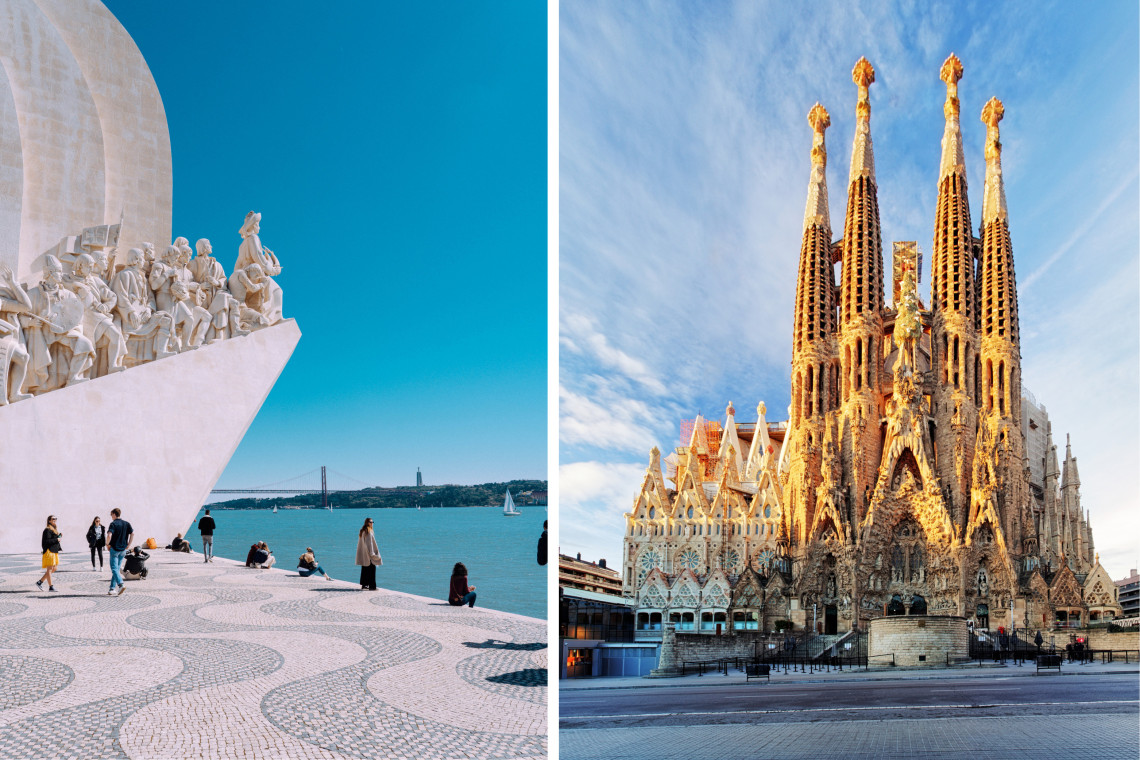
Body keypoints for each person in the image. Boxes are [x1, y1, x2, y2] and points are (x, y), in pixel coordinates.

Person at [105, 507, 133, 596]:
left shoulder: (113, 524)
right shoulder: (126, 523)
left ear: (114, 514)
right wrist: (129, 544)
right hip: (123, 549)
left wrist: (107, 544)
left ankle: (121, 584)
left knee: (114, 569)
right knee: (116, 569)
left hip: (114, 549)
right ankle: (112, 589)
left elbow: (109, 535)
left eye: (111, 515)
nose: (111, 517)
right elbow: (132, 533)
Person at [37, 515, 62, 592]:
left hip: (54, 551)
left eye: (55, 518)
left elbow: (53, 539)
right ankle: (51, 587)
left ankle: (40, 582)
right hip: (49, 551)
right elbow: (46, 541)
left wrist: (58, 537)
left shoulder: (54, 529)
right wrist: (56, 539)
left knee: (54, 568)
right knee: (50, 569)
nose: (55, 520)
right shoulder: (47, 530)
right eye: (53, 519)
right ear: (49, 521)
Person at [355, 518, 381, 590]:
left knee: (365, 570)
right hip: (369, 554)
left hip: (364, 554)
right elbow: (369, 544)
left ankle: (364, 585)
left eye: (372, 522)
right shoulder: (368, 532)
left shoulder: (363, 531)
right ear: (367, 522)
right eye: (370, 522)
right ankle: (372, 586)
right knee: (372, 570)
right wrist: (372, 554)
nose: (372, 523)